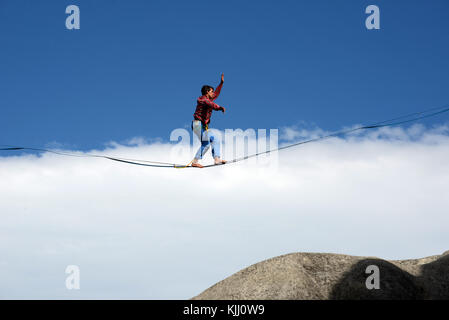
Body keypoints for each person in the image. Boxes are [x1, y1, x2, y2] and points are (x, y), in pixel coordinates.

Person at [191, 73, 227, 168]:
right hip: (197, 124)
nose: (213, 93)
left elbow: (216, 94)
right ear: (207, 92)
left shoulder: (209, 98)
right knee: (208, 141)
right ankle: (197, 161)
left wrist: (221, 83)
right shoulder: (203, 99)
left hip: (202, 126)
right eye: (211, 91)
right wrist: (219, 108)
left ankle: (215, 159)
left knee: (211, 141)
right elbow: (211, 104)